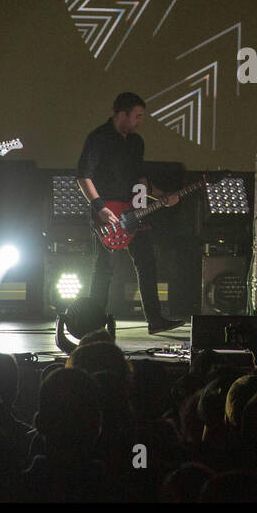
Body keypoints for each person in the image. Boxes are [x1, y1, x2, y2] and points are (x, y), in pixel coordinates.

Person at [76, 92, 185, 336]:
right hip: (107, 213)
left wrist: (161, 196)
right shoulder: (98, 138)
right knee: (104, 268)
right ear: (121, 114)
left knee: (147, 263)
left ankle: (155, 319)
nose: (139, 121)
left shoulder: (136, 142)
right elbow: (84, 175)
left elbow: (140, 179)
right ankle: (92, 325)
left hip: (134, 212)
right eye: (136, 116)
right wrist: (100, 207)